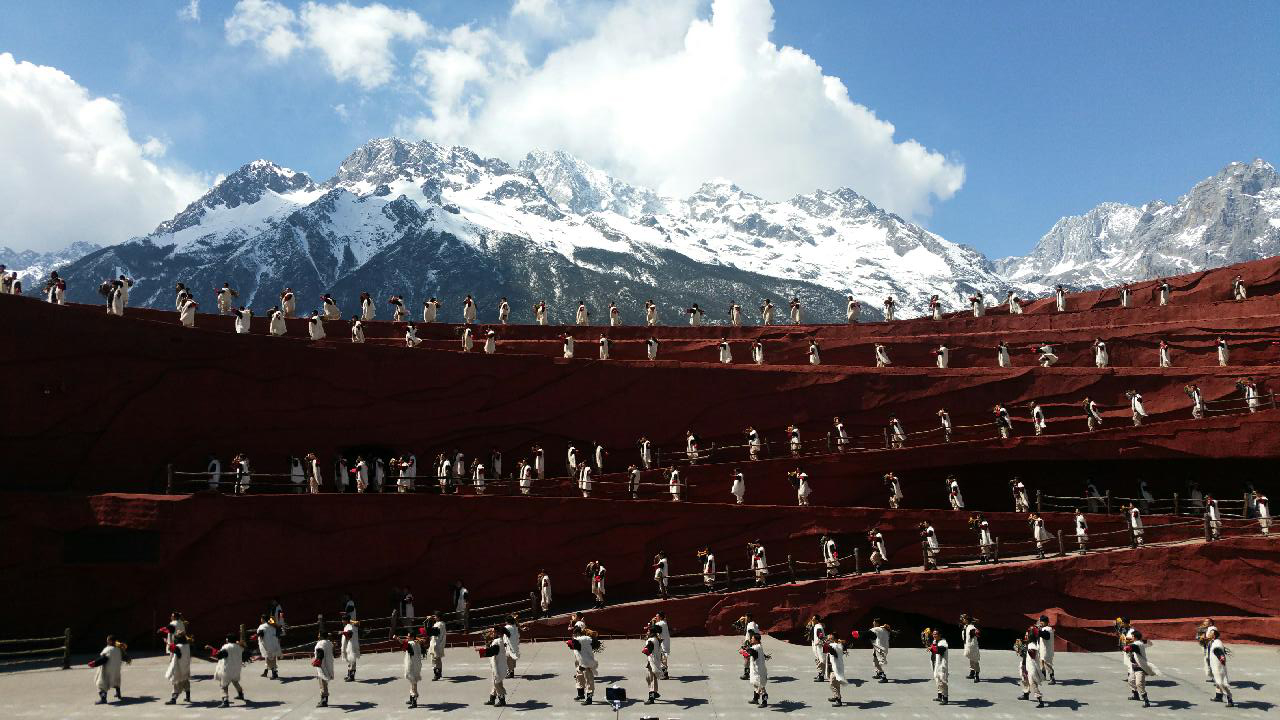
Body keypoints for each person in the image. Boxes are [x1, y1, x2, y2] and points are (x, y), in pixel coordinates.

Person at [88, 635, 130, 704]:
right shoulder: (119, 649)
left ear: (110, 641)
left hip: (107, 670)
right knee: (116, 681)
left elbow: (104, 659)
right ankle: (118, 694)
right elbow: (124, 657)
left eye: (107, 640)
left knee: (101, 684)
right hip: (116, 669)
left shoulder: (108, 649)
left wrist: (94, 663)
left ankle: (103, 699)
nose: (106, 641)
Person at [208, 634, 248, 707]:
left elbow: (220, 655)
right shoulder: (240, 647)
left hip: (227, 668)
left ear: (228, 639)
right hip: (236, 668)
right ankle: (241, 694)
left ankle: (225, 700)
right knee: (235, 681)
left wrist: (212, 651)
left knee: (223, 685)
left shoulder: (226, 647)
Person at [568, 629, 602, 705]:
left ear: (578, 634)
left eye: (575, 634)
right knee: (579, 677)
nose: (573, 636)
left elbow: (573, 644)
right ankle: (581, 695)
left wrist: (570, 641)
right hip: (580, 662)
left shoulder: (583, 640)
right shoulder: (581, 640)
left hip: (586, 663)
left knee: (589, 680)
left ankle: (589, 699)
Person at [1124, 629, 1155, 707]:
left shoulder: (1138, 644)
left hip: (1140, 667)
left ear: (1135, 637)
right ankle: (1136, 695)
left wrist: (1127, 647)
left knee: (1139, 684)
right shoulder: (1139, 643)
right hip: (1134, 667)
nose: (1131, 637)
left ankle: (1146, 701)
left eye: (1132, 636)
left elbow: (1133, 646)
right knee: (1131, 681)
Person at [477, 626, 508, 706]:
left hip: (498, 666)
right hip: (498, 664)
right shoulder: (498, 640)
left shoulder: (497, 641)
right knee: (496, 682)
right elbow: (491, 648)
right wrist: (487, 642)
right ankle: (492, 699)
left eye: (493, 632)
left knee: (497, 683)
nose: (491, 633)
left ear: (497, 632)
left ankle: (502, 700)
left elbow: (492, 651)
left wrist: (481, 650)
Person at [1017, 629, 1045, 707]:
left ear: (1030, 636)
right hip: (1025, 665)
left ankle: (1040, 700)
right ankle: (1026, 694)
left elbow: (1032, 654)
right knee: (1024, 679)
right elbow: (1025, 656)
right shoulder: (1028, 644)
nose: (1026, 636)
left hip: (1031, 667)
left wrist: (1025, 650)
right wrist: (1020, 650)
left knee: (1033, 683)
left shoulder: (1032, 645)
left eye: (1027, 635)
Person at [1206, 628, 1234, 706]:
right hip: (1214, 665)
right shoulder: (1212, 641)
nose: (1208, 633)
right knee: (1217, 681)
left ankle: (1230, 700)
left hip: (1218, 666)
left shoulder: (1216, 643)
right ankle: (1218, 696)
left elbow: (1219, 651)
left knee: (1221, 682)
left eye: (1210, 633)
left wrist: (1221, 657)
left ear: (1214, 635)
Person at [742, 629, 769, 707]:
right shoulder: (758, 646)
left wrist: (746, 649)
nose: (751, 639)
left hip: (759, 672)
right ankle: (755, 699)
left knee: (762, 688)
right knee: (755, 685)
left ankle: (764, 702)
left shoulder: (756, 648)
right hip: (756, 670)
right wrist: (747, 648)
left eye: (752, 638)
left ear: (756, 640)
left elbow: (752, 652)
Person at [164, 632, 192, 705]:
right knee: (186, 682)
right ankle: (188, 697)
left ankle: (173, 699)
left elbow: (172, 649)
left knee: (177, 684)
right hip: (186, 666)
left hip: (179, 668)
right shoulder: (187, 645)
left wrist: (167, 643)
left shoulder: (178, 647)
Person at [255, 614, 283, 679]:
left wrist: (255, 636)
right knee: (271, 658)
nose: (260, 619)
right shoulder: (273, 625)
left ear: (263, 619)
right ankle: (266, 671)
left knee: (269, 659)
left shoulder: (262, 626)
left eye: (261, 618)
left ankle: (274, 673)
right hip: (274, 644)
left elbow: (260, 634)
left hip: (267, 645)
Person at [313, 629, 335, 707]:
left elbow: (320, 653)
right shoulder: (329, 643)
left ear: (321, 636)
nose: (318, 635)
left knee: (322, 683)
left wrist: (317, 661)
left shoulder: (320, 643)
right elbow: (334, 653)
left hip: (322, 665)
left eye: (319, 634)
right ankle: (324, 700)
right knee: (325, 683)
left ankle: (324, 701)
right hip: (329, 664)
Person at [642, 623, 662, 704]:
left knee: (651, 679)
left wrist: (644, 650)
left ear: (652, 632)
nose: (647, 632)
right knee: (651, 678)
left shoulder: (651, 640)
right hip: (655, 660)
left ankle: (651, 698)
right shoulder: (656, 638)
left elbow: (647, 650)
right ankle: (655, 693)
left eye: (648, 631)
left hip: (652, 661)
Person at [928, 628, 949, 704]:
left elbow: (940, 650)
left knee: (943, 680)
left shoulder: (943, 642)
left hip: (941, 664)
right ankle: (940, 696)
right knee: (937, 679)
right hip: (935, 663)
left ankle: (945, 698)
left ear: (940, 635)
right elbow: (934, 650)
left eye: (936, 634)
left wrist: (932, 647)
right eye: (933, 634)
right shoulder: (935, 641)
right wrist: (930, 647)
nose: (934, 635)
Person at [424, 612, 447, 680]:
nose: (434, 617)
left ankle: (436, 674)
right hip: (438, 643)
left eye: (435, 616)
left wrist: (428, 621)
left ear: (439, 617)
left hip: (436, 644)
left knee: (433, 659)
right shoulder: (442, 623)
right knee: (438, 659)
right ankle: (439, 673)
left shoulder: (439, 624)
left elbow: (431, 632)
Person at [960, 614, 981, 681]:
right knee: (971, 659)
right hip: (967, 645)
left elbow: (976, 633)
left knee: (975, 660)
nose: (962, 620)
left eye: (963, 619)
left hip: (973, 646)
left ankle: (977, 675)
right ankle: (972, 673)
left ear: (966, 620)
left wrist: (976, 632)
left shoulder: (972, 627)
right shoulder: (966, 626)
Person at [1036, 615, 1056, 683]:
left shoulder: (1048, 629)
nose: (1040, 623)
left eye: (1041, 621)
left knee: (1047, 664)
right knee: (1041, 662)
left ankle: (1052, 677)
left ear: (1045, 622)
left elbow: (1046, 636)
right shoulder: (1043, 628)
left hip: (1047, 650)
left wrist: (1038, 630)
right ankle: (1043, 676)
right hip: (1042, 649)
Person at [807, 615, 828, 681]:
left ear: (817, 620)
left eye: (813, 619)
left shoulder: (818, 627)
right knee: (818, 660)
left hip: (820, 646)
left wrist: (821, 641)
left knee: (822, 660)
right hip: (816, 645)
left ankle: (821, 676)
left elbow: (820, 636)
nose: (812, 620)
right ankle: (820, 674)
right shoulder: (815, 626)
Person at [653, 612, 673, 680]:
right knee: (663, 660)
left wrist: (653, 621)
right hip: (664, 644)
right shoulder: (664, 622)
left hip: (663, 645)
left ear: (660, 617)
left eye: (657, 616)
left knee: (663, 660)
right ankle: (665, 673)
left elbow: (653, 628)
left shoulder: (661, 623)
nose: (656, 617)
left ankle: (665, 675)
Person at [340, 616, 360, 681]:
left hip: (351, 646)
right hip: (349, 645)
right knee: (350, 661)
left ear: (346, 620)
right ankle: (349, 675)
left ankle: (351, 677)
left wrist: (342, 632)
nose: (342, 621)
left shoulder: (350, 626)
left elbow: (349, 635)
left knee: (352, 661)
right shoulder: (348, 626)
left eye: (343, 620)